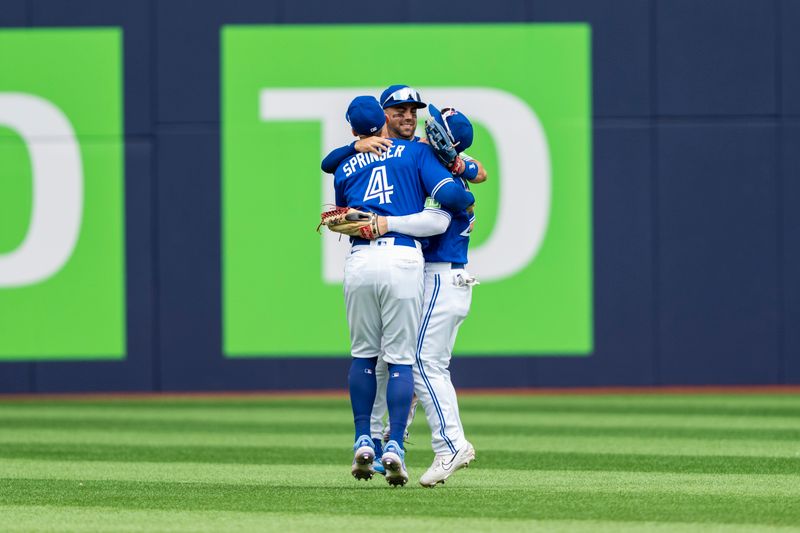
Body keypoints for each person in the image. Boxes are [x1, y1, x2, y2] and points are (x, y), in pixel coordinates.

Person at [328, 98, 485, 487]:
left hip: (440, 275)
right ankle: (385, 442)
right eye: (401, 112)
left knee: (415, 361)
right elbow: (331, 159)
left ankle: (448, 444)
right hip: (421, 274)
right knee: (393, 362)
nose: (414, 119)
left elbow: (457, 200)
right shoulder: (420, 159)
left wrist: (383, 221)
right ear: (382, 117)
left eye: (417, 115)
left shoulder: (426, 160)